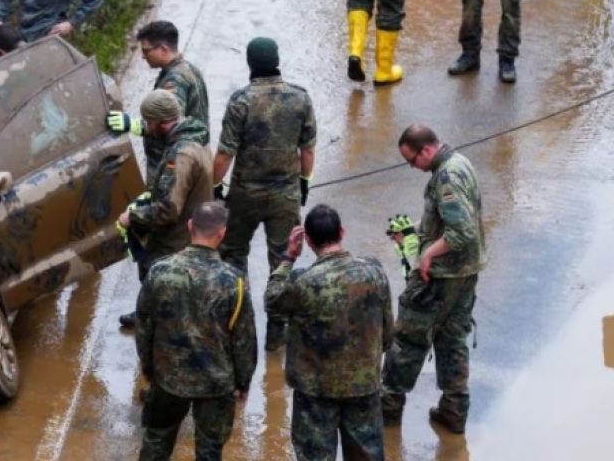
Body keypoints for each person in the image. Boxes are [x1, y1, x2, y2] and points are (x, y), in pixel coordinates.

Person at [265, 204, 393, 461]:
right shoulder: (375, 273)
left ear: (308, 240)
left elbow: (272, 301)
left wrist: (288, 257)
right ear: (342, 232)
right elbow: (387, 332)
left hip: (316, 391)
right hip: (363, 385)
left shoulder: (304, 282)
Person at [381, 125, 486, 434]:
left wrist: (427, 256)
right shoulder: (460, 163)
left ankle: (387, 408)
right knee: (453, 339)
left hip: (440, 275)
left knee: (408, 340)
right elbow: (450, 219)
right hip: (465, 273)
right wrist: (412, 231)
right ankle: (454, 410)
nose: (412, 166)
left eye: (411, 160)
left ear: (426, 150)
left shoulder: (446, 177)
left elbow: (461, 232)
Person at [213, 37, 316, 351]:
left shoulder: (241, 101)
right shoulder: (300, 98)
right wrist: (303, 181)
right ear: (277, 61)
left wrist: (215, 185)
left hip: (244, 194)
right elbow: (308, 149)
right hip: (284, 194)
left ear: (250, 64)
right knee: (282, 258)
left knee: (233, 252)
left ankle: (237, 316)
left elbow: (225, 153)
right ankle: (276, 328)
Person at [135, 201, 257, 461]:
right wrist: (243, 382)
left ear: (190, 226)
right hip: (216, 382)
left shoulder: (159, 271)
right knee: (210, 450)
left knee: (156, 442)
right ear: (222, 233)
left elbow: (144, 325)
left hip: (168, 377)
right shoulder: (234, 281)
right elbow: (244, 339)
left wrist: (148, 366)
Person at [117, 90, 214, 329]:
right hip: (193, 230)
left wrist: (132, 217)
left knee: (168, 301)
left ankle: (157, 326)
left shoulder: (180, 155)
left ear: (160, 122)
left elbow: (168, 210)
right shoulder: (196, 140)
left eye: (148, 122)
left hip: (176, 241)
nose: (147, 127)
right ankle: (149, 314)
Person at [107, 20, 209, 182]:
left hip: (170, 164)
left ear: (163, 49)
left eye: (146, 51)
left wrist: (132, 124)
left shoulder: (174, 81)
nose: (143, 56)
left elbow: (170, 122)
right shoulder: (188, 69)